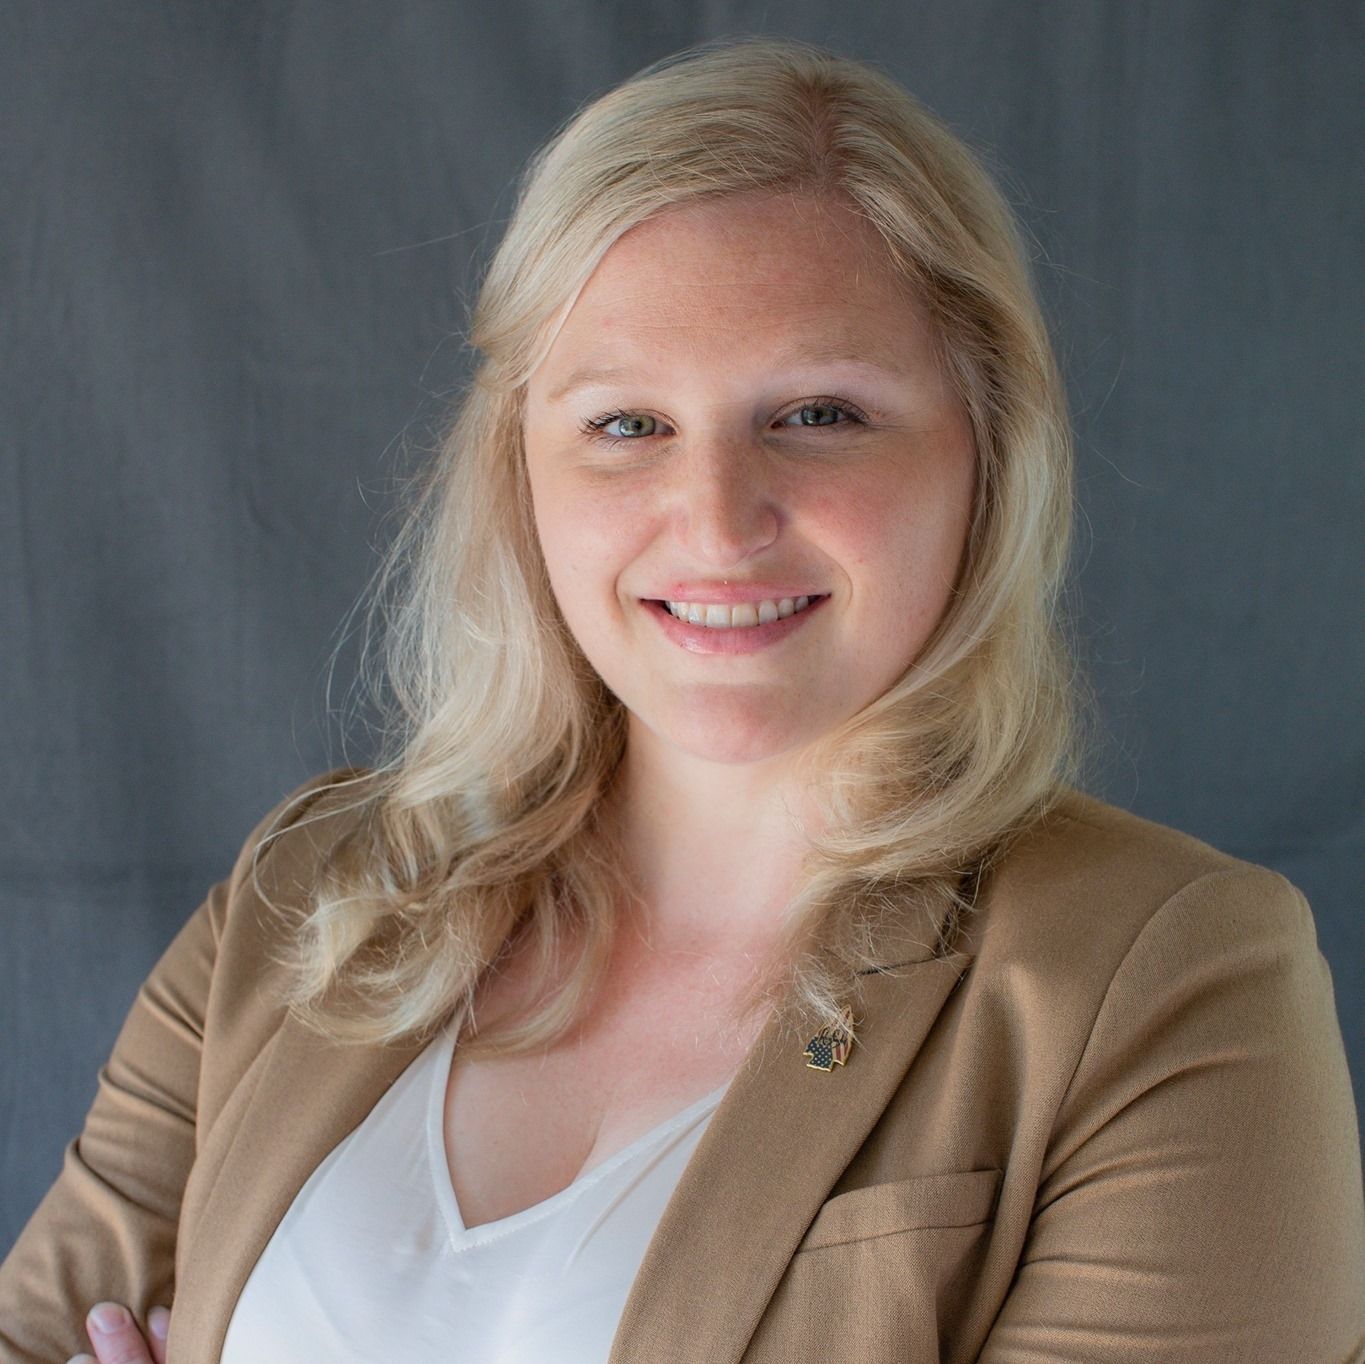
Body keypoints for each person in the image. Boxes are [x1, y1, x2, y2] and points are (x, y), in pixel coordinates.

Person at [3, 35, 1362, 1364]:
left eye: (819, 413)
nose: (715, 520)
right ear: (519, 473)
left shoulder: (1168, 982)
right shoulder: (309, 894)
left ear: (987, 453)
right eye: (626, 424)